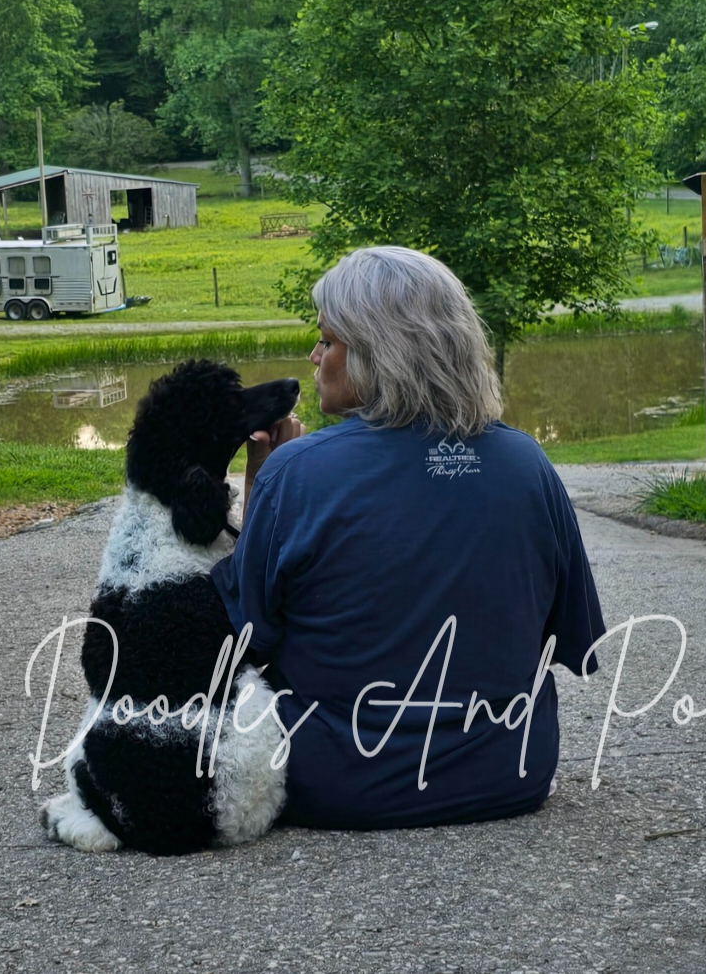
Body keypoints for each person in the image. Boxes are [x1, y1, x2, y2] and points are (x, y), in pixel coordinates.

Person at [212, 245, 606, 830]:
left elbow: (246, 637)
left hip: (341, 784)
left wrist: (262, 483)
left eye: (328, 340)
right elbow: (575, 639)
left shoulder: (299, 472)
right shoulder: (527, 463)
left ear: (378, 351)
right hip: (512, 774)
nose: (314, 356)